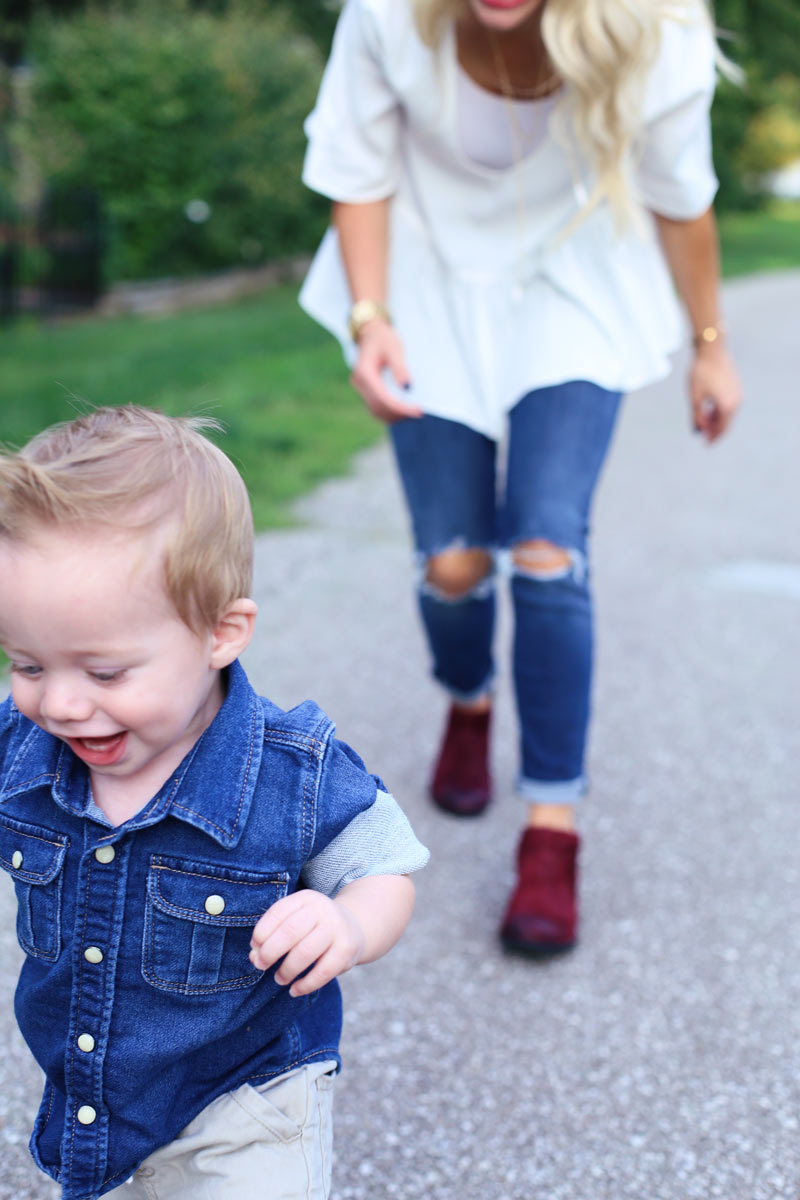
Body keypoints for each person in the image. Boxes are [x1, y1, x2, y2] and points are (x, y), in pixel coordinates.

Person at [298, 0, 742, 957]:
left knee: (546, 547)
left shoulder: (656, 34)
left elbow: (682, 199)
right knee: (454, 564)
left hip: (575, 288)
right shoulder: (385, 16)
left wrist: (711, 347)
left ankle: (552, 831)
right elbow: (357, 169)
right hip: (423, 285)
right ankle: (468, 698)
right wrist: (371, 318)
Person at [0, 405, 428, 1200]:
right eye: (26, 664)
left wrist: (347, 922)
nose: (59, 704)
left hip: (251, 1099)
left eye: (103, 673)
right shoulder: (22, 748)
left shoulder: (291, 771)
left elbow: (385, 866)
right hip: (97, 1099)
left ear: (221, 633)